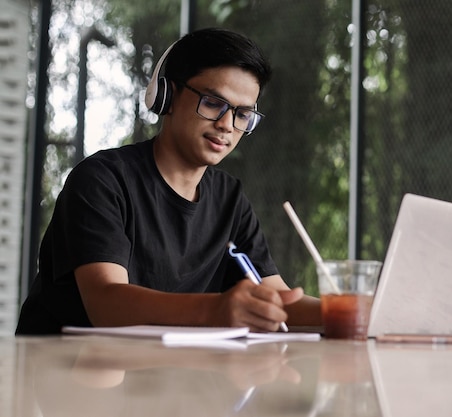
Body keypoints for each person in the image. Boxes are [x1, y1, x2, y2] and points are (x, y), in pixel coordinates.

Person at [16, 27, 321, 335]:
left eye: (243, 114)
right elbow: (105, 304)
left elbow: (280, 304)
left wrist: (347, 310)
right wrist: (217, 309)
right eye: (214, 102)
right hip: (64, 371)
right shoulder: (102, 180)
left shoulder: (230, 199)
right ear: (167, 95)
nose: (227, 125)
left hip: (162, 374)